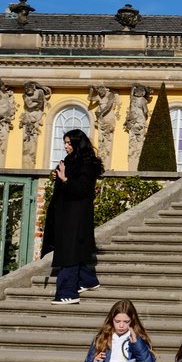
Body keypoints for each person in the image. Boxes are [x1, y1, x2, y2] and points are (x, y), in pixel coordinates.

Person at [42, 128, 105, 305]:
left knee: (69, 253)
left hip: (76, 216)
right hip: (64, 214)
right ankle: (87, 280)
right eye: (65, 142)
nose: (66, 146)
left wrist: (65, 180)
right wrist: (58, 177)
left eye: (69, 143)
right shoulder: (69, 161)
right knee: (72, 250)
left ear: (78, 143)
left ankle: (67, 292)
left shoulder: (87, 164)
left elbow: (82, 190)